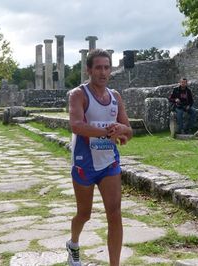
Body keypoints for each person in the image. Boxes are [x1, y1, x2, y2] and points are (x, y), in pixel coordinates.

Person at [67, 49, 132, 266]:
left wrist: (122, 129)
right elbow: (75, 125)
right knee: (84, 214)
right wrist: (106, 131)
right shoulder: (79, 94)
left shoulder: (115, 96)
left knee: (114, 213)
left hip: (109, 162)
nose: (103, 72)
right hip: (84, 163)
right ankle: (74, 243)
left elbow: (129, 131)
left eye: (107, 67)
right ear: (89, 70)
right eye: (98, 67)